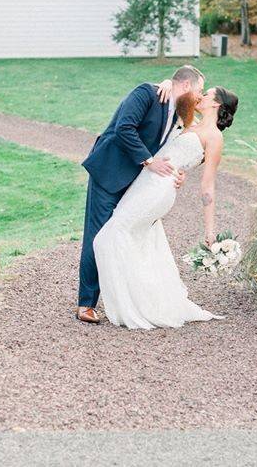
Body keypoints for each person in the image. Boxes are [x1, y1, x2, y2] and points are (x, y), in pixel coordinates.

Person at [94, 85, 239, 329]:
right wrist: (167, 82)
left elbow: (208, 187)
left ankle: (132, 305)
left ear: (216, 104)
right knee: (137, 241)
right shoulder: (189, 123)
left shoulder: (214, 137)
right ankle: (144, 299)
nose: (200, 96)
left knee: (108, 237)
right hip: (143, 183)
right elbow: (177, 96)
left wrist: (210, 231)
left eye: (207, 94)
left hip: (159, 190)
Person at [76, 65, 205, 324]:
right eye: (199, 90)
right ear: (187, 86)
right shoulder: (146, 93)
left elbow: (172, 149)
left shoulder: (179, 114)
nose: (200, 97)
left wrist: (178, 172)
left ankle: (125, 297)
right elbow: (125, 128)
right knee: (98, 233)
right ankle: (86, 304)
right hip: (109, 173)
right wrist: (148, 162)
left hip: (137, 184)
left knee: (126, 235)